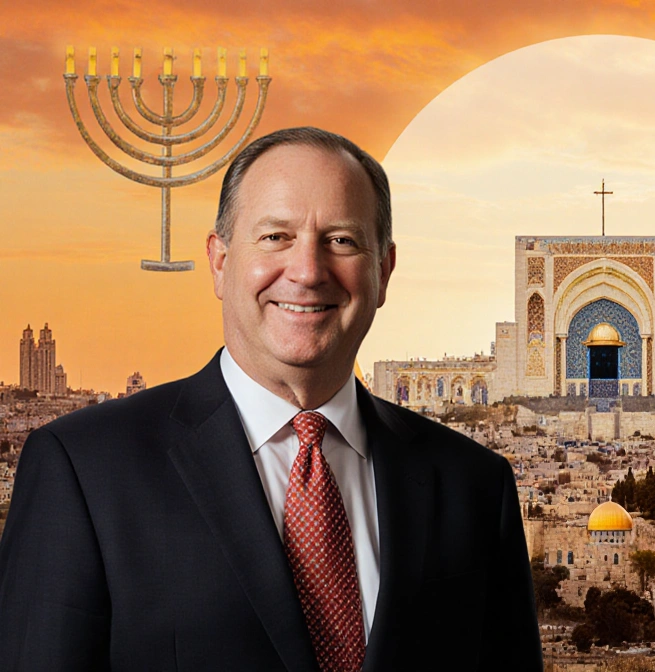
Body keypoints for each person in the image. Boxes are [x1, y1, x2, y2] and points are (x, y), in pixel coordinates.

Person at [0, 127, 542, 671]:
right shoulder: (86, 470)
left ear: (383, 272)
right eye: (275, 237)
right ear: (218, 260)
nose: (307, 271)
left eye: (342, 240)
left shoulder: (473, 485)